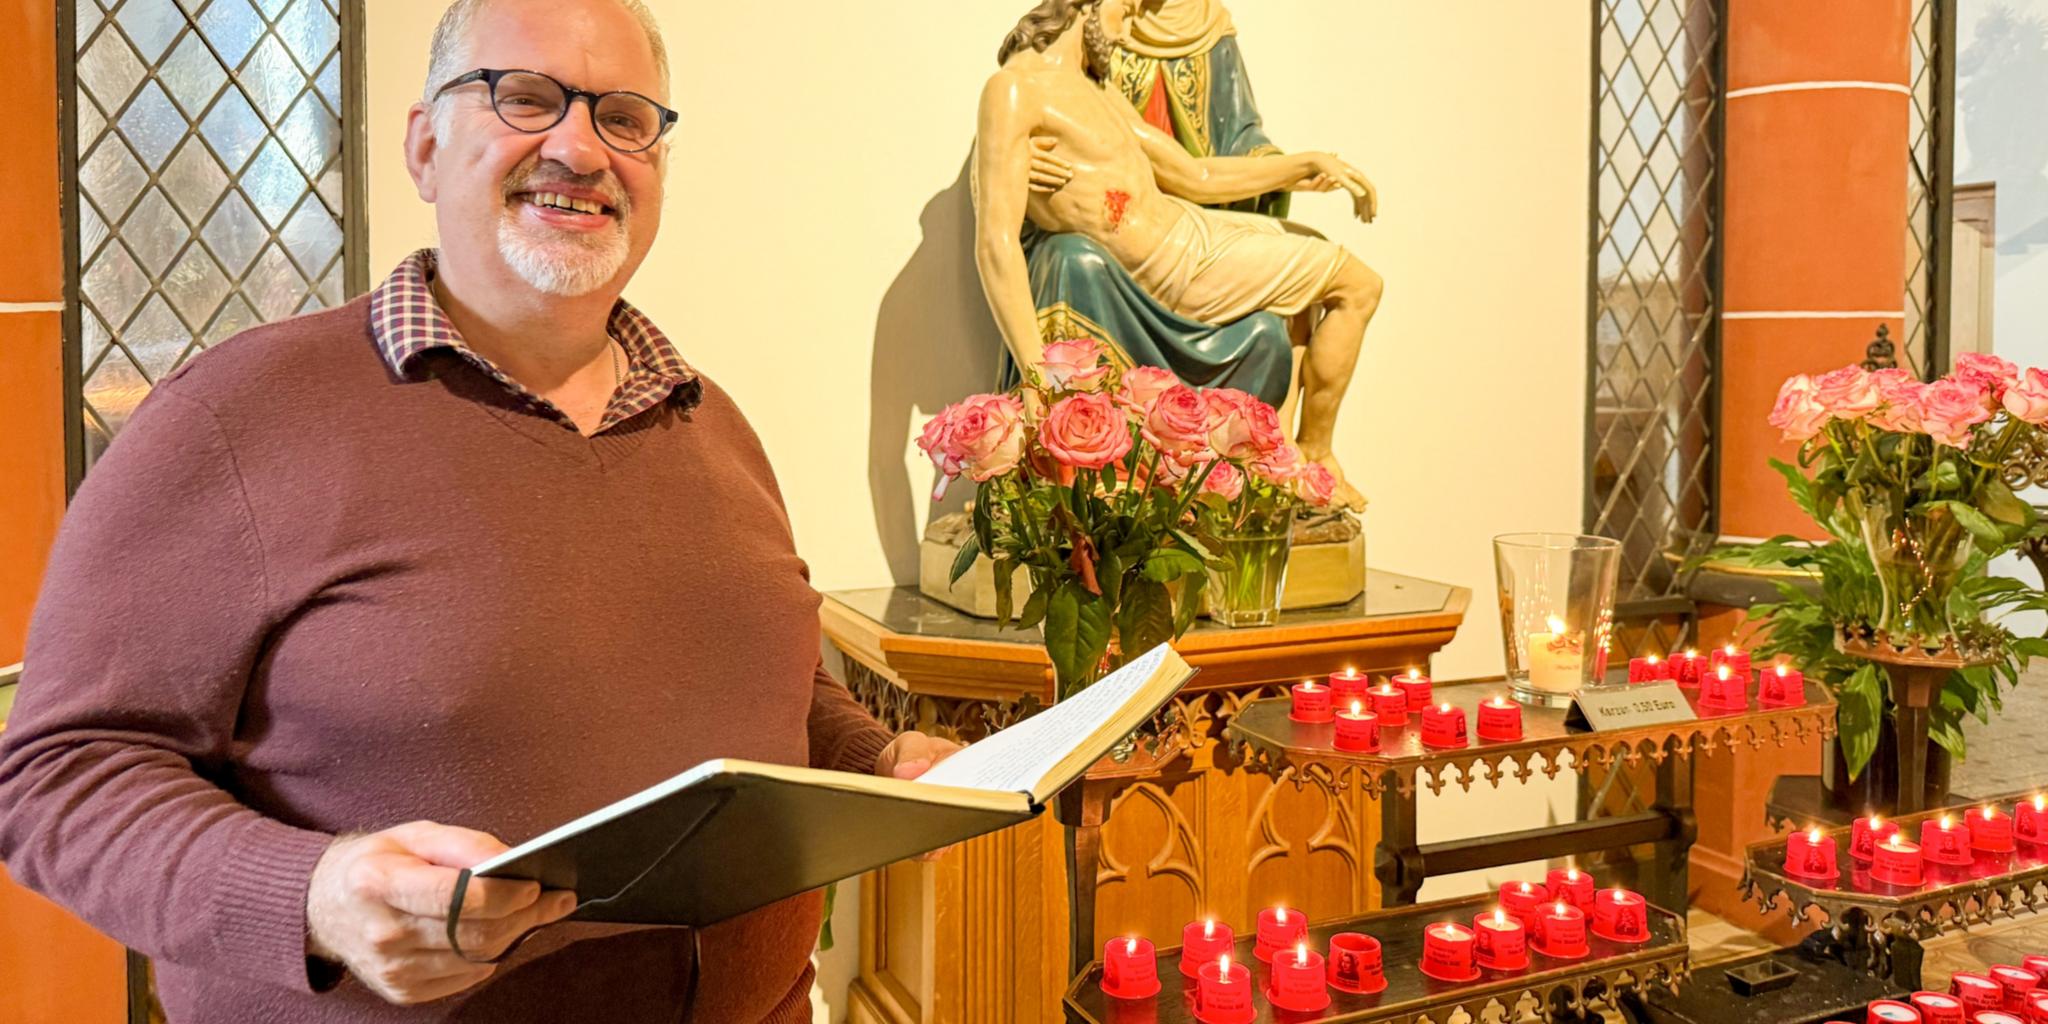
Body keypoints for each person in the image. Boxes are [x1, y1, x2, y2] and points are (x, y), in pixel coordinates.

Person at [0, 0, 957, 1020]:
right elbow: (60, 775)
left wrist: (872, 754)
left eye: (625, 118)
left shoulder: (712, 422)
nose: (579, 148)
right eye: (525, 98)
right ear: (424, 146)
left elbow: (767, 671)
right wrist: (315, 896)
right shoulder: (236, 417)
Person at [975, 0, 1384, 509]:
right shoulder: (1013, 90)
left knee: (1334, 262)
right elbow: (995, 241)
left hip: (1193, 234)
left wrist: (1305, 165)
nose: (1128, 30)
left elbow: (1197, 176)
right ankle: (1315, 454)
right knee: (1359, 284)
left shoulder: (1096, 91)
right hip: (1175, 264)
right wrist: (1036, 375)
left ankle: (1295, 455)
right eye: (1127, 10)